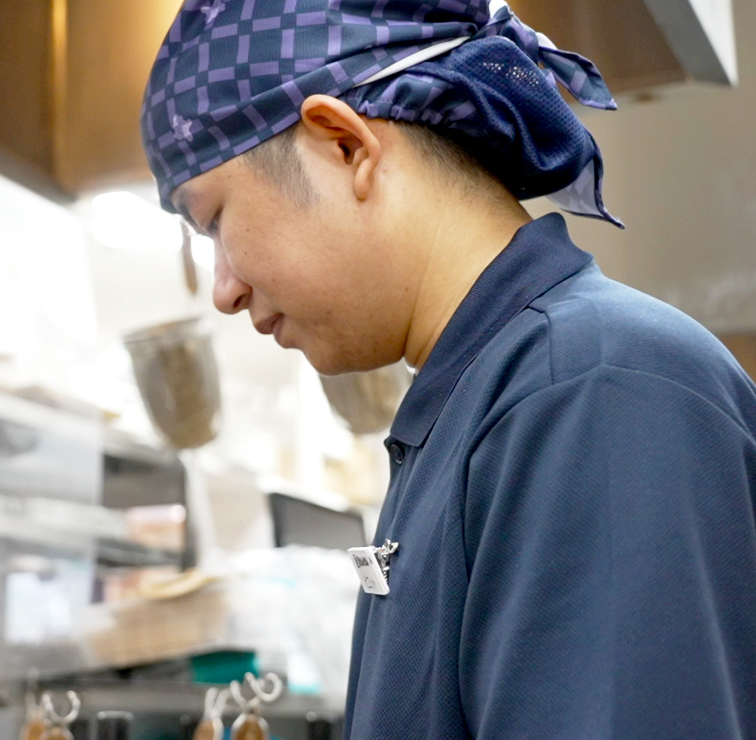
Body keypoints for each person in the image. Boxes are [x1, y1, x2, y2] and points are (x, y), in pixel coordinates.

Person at [140, 1, 756, 737]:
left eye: (213, 220)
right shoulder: (479, 405)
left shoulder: (590, 391)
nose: (223, 290)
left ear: (346, 145)